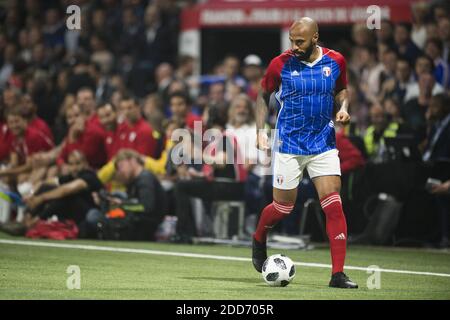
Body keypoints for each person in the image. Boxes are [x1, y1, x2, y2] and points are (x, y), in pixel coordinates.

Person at [252, 17, 358, 288]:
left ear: (315, 37)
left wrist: (343, 106)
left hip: (323, 143)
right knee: (282, 208)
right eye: (292, 41)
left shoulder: (336, 61)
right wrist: (260, 131)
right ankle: (259, 237)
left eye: (299, 41)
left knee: (333, 204)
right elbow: (262, 97)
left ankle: (337, 274)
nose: (294, 46)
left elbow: (342, 89)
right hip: (289, 144)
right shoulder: (280, 63)